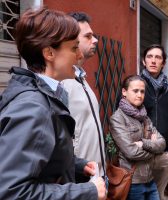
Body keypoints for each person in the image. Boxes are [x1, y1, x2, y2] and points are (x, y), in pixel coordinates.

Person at [0, 8, 106, 199]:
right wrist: (88, 191)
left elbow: (41, 158)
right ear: (49, 53)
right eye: (74, 48)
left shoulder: (42, 96)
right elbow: (13, 192)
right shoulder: (33, 107)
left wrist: (77, 165)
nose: (80, 55)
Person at [62, 12, 106, 182]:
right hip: (79, 178)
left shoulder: (81, 78)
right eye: (88, 36)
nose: (95, 40)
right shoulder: (60, 82)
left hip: (94, 175)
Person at [109, 75, 166, 200]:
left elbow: (162, 143)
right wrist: (154, 150)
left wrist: (143, 144)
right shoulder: (117, 119)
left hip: (150, 178)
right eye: (135, 91)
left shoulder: (144, 117)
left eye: (142, 91)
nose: (139, 95)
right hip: (133, 181)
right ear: (124, 92)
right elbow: (132, 152)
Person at [141, 44, 168, 200]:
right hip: (143, 149)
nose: (153, 60)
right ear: (144, 61)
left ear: (163, 63)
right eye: (149, 57)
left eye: (158, 57)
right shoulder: (136, 85)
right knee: (144, 191)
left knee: (163, 191)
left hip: (166, 148)